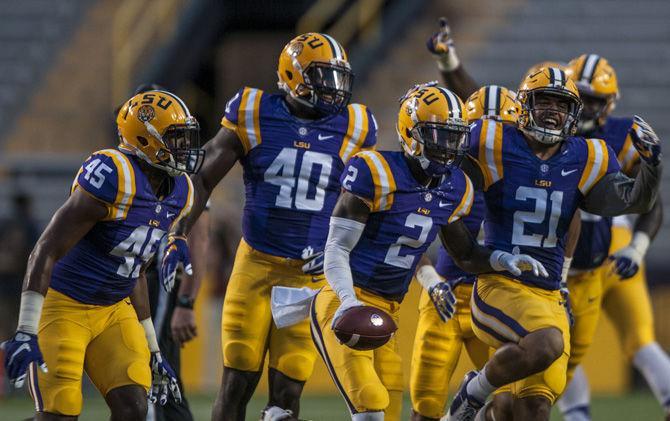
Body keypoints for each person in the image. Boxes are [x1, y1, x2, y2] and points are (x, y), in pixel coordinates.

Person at [160, 33, 378, 421]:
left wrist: (343, 252)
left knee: (289, 389)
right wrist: (177, 231)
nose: (333, 90)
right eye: (323, 77)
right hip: (257, 266)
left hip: (310, 278)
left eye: (338, 78)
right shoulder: (254, 110)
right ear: (293, 75)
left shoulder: (357, 126)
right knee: (237, 378)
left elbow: (369, 202)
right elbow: (202, 179)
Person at [309, 83, 547, 421]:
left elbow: (464, 254)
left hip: (387, 308)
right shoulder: (374, 171)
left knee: (389, 407)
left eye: (454, 136)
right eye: (438, 135)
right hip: (342, 299)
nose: (447, 147)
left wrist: (500, 260)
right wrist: (348, 301)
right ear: (411, 131)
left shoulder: (456, 187)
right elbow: (335, 248)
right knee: (370, 405)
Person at [1, 89, 203, 419]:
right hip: (64, 304)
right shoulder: (115, 175)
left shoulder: (181, 191)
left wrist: (153, 346)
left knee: (134, 408)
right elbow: (46, 248)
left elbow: (134, 270)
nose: (186, 148)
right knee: (60, 412)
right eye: (175, 138)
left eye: (186, 138)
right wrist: (25, 328)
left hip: (113, 310)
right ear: (145, 139)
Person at [556, 54, 668, 421]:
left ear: (610, 103)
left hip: (613, 250)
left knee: (640, 339)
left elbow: (651, 201)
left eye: (595, 99)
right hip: (563, 259)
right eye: (581, 97)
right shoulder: (547, 130)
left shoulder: (623, 136)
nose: (586, 107)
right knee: (562, 354)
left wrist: (637, 247)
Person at [409, 85, 515, 421]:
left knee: (511, 403)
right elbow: (407, 241)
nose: (489, 143)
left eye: (501, 134)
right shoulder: (443, 177)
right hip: (448, 298)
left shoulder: (527, 181)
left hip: (496, 299)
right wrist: (431, 281)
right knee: (424, 407)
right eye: (481, 133)